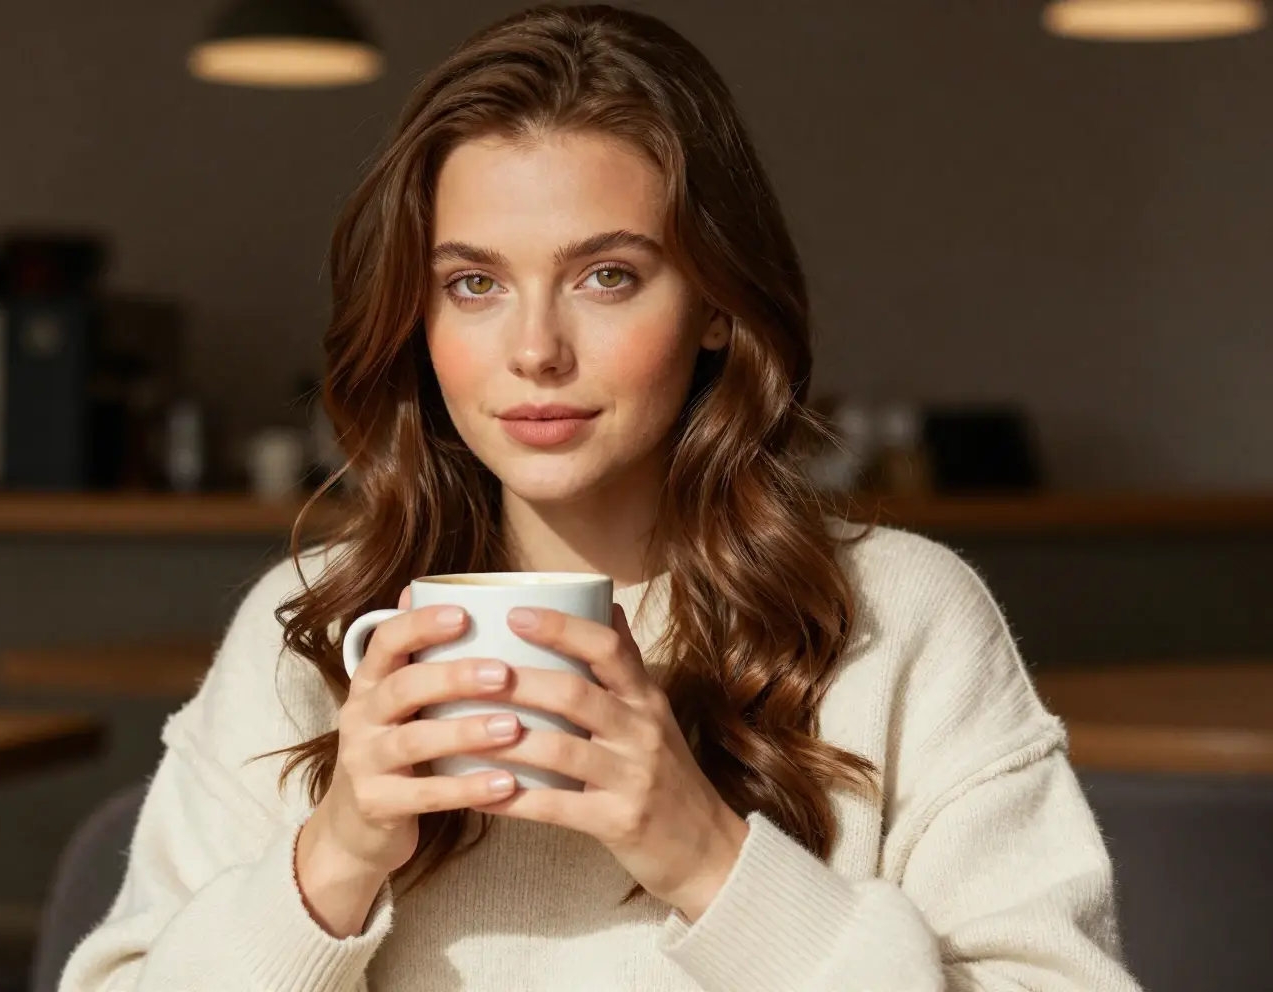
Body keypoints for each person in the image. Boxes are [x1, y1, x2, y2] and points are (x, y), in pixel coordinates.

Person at [60, 5, 1140, 990]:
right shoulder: (312, 634)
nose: (535, 350)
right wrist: (334, 853)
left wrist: (706, 854)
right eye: (473, 283)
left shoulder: (900, 620)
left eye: (606, 274)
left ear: (716, 303)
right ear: (417, 319)